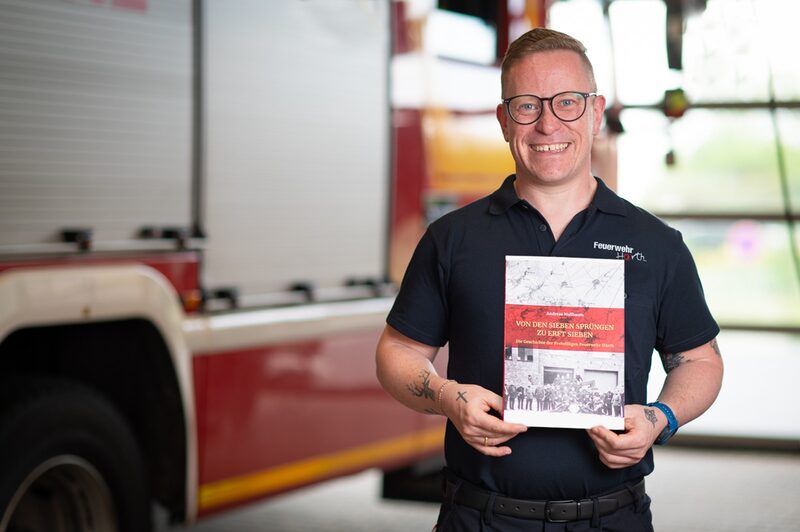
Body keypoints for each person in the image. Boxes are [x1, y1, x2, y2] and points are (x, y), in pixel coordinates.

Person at [375, 27, 723, 531]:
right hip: (480, 518)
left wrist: (660, 418)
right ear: (502, 119)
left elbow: (700, 360)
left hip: (612, 518)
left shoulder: (656, 244)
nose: (547, 124)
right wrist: (449, 397)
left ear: (596, 111)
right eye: (526, 106)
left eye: (568, 102)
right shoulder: (453, 238)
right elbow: (398, 351)